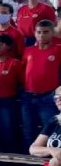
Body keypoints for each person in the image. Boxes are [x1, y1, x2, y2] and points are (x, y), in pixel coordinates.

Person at [21, 20, 61, 152]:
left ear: (52, 33)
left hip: (48, 97)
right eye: (39, 32)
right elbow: (23, 71)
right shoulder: (28, 50)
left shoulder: (58, 50)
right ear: (35, 33)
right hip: (28, 97)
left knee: (50, 132)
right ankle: (29, 163)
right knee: (28, 132)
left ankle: (51, 160)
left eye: (45, 32)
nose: (41, 35)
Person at [29, 86, 61, 166]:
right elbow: (33, 149)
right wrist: (51, 150)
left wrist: (58, 157)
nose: (58, 100)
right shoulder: (54, 121)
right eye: (56, 97)